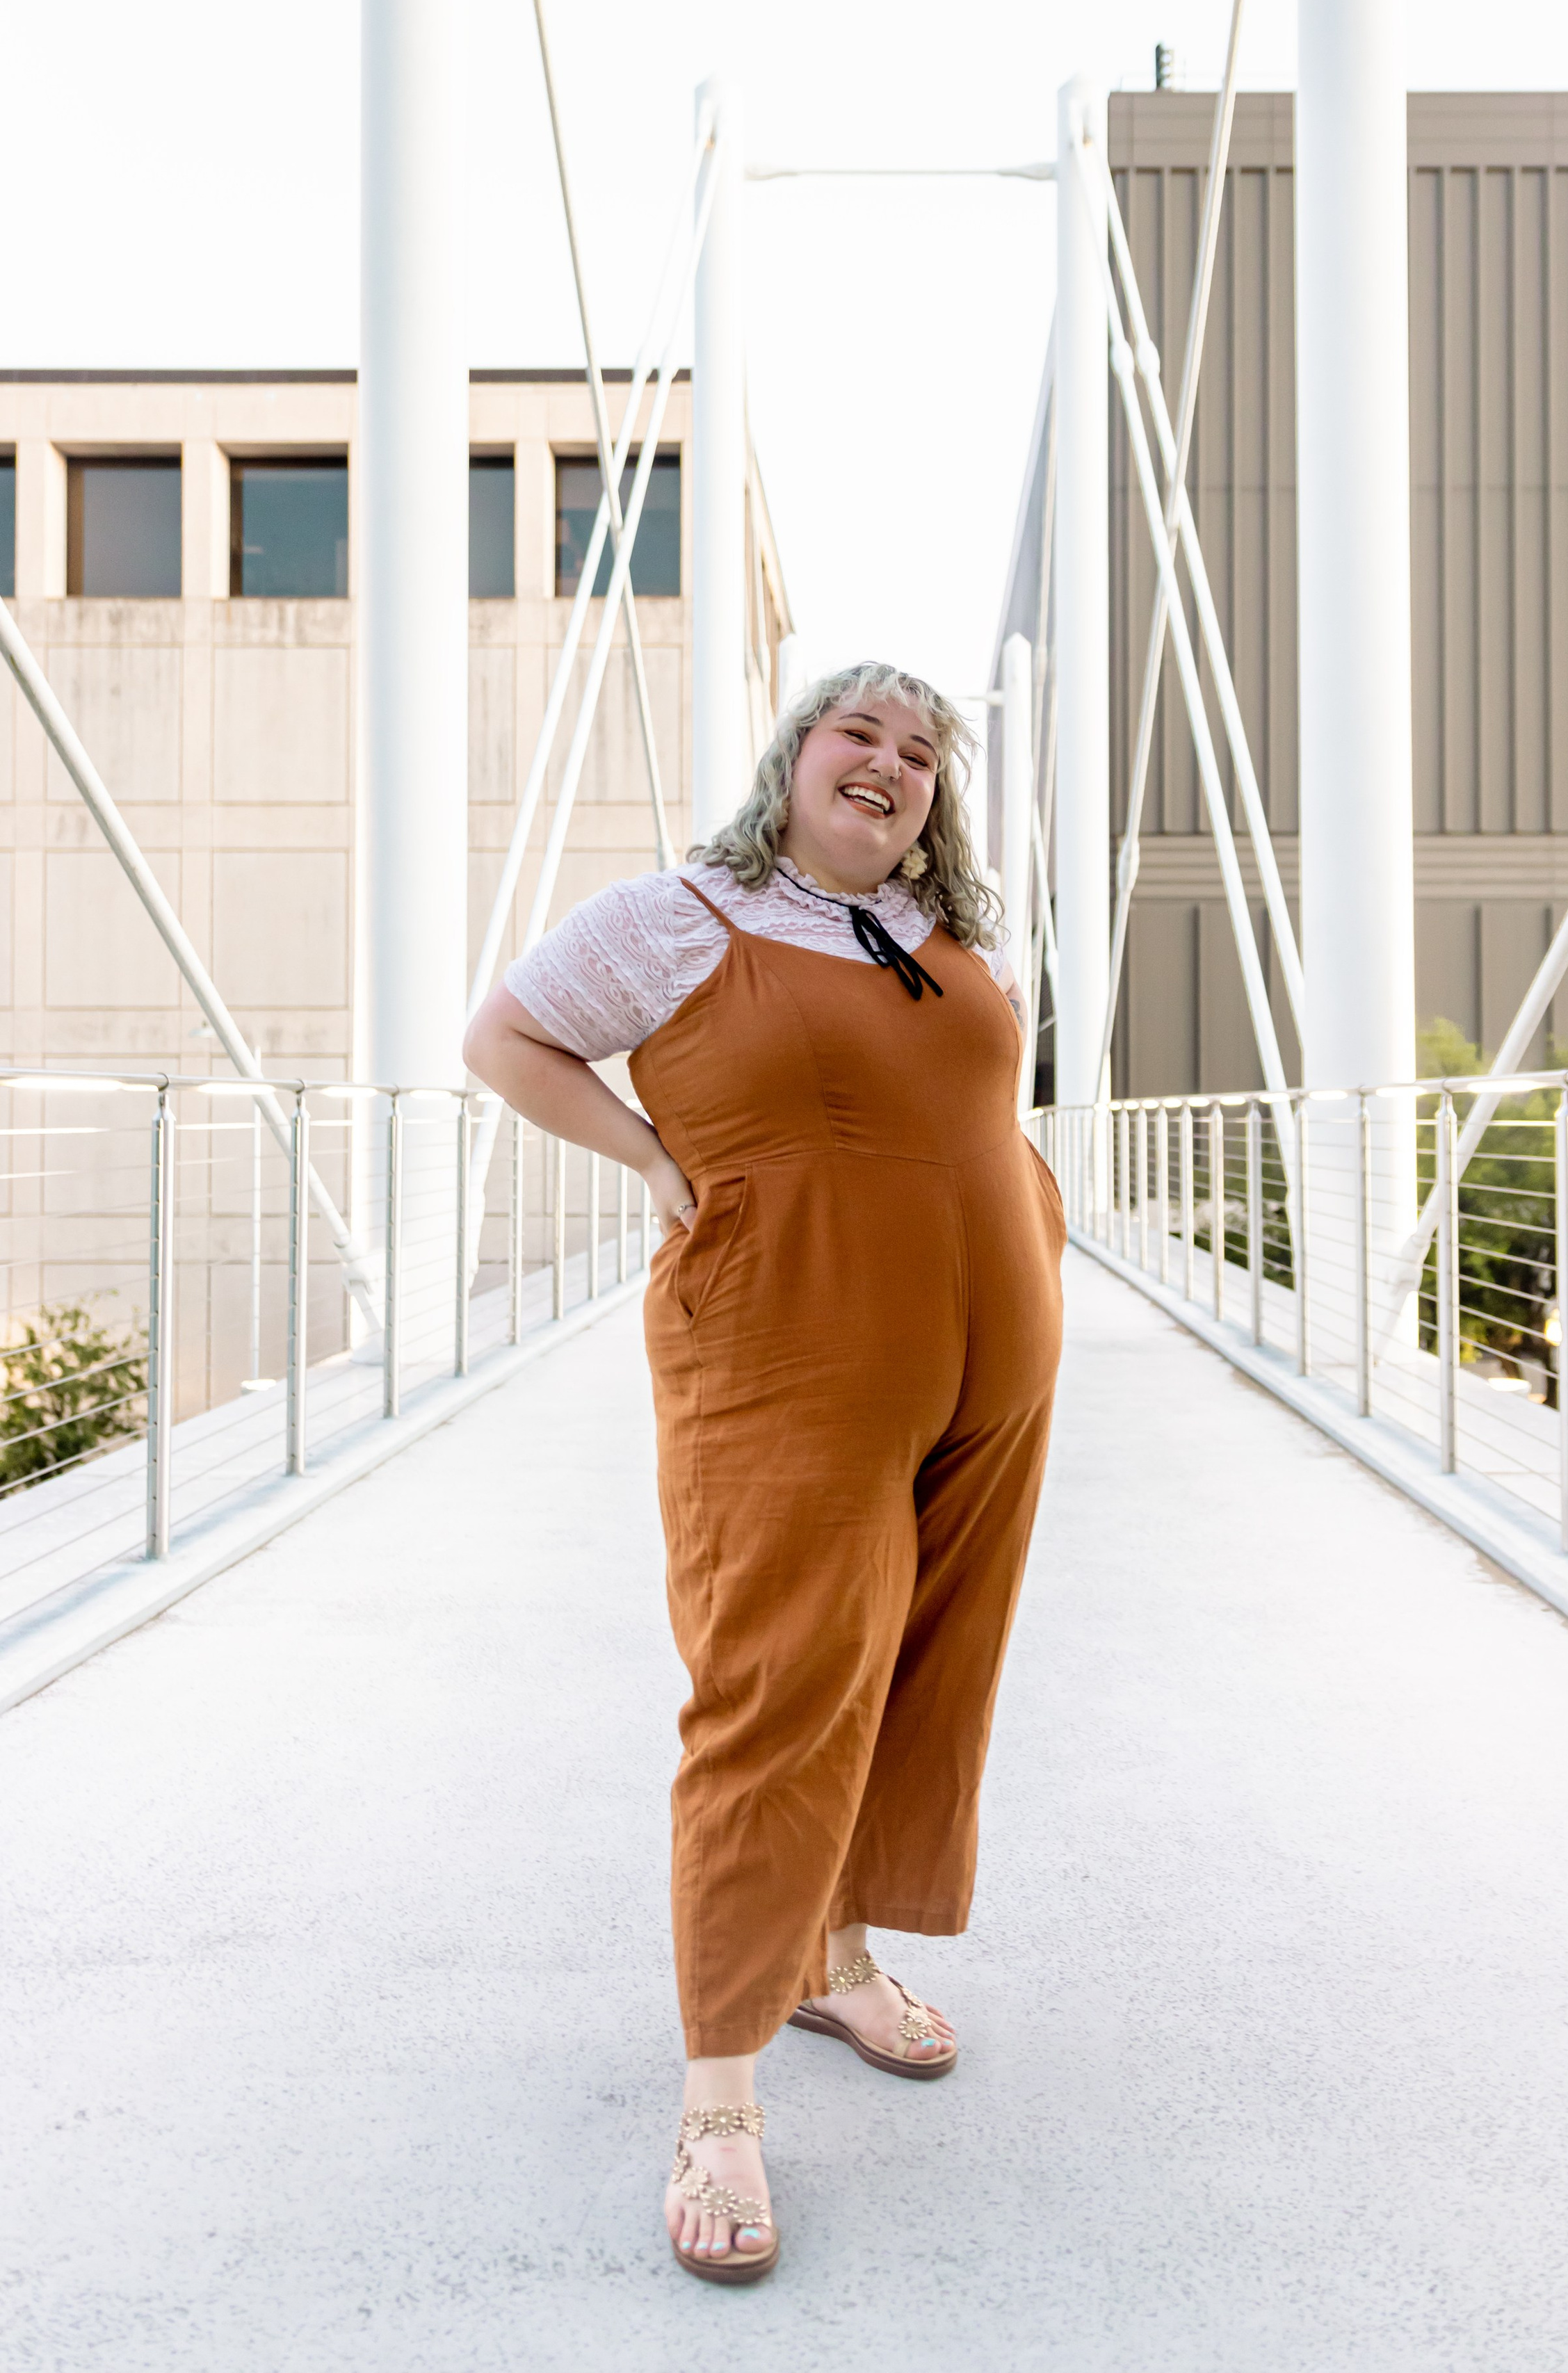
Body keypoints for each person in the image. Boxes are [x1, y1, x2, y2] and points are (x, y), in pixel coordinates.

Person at [463, 663, 1067, 2284]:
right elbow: (506, 1035)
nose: (888, 763)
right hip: (786, 1355)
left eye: (919, 751)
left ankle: (833, 1956)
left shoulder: (962, 938)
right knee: (776, 1682)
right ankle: (717, 2094)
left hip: (985, 1363)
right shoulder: (680, 914)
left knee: (913, 1671)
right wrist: (660, 1161)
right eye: (857, 733)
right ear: (795, 759)